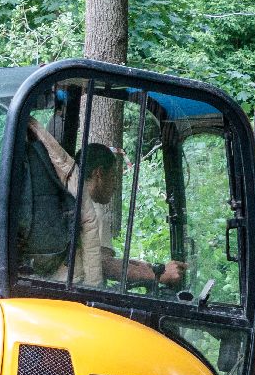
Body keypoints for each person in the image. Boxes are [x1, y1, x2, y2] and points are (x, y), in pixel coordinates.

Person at [27, 118, 185, 289]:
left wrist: (142, 266)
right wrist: (159, 275)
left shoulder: (68, 202)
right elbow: (105, 265)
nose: (116, 185)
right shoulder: (93, 212)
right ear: (99, 174)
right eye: (113, 177)